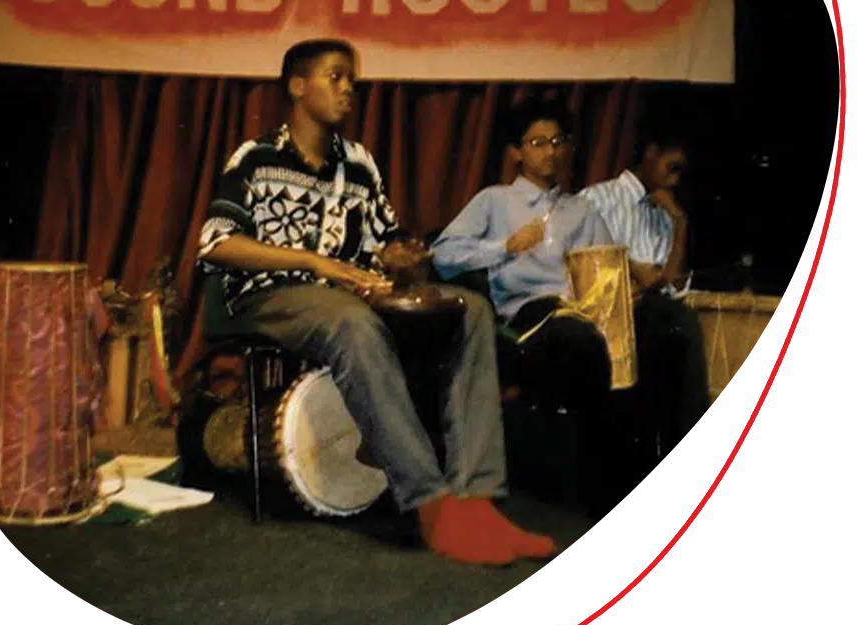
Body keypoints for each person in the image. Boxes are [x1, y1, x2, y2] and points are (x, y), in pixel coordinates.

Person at [196, 39, 556, 567]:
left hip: (348, 293)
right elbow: (216, 242)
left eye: (352, 80)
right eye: (336, 77)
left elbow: (386, 240)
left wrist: (399, 255)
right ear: (298, 87)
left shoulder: (360, 164)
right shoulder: (256, 158)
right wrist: (317, 263)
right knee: (353, 323)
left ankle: (476, 499)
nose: (349, 89)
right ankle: (432, 506)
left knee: (470, 311)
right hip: (272, 294)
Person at [430, 98, 615, 419]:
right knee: (577, 343)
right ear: (516, 152)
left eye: (557, 142)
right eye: (538, 143)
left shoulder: (582, 209)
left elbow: (606, 270)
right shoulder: (495, 200)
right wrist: (505, 247)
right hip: (529, 316)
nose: (550, 152)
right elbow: (442, 256)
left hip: (585, 314)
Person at [578, 123, 712, 452]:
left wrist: (680, 223)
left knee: (678, 322)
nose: (674, 181)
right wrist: (633, 269)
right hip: (609, 311)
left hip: (653, 313)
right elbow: (583, 264)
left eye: (680, 173)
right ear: (651, 154)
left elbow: (673, 282)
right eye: (671, 168)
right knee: (677, 325)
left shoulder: (663, 215)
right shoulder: (598, 199)